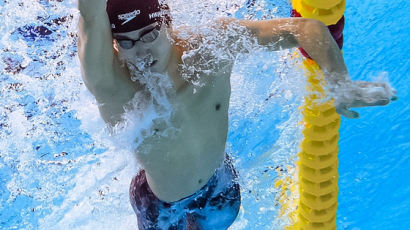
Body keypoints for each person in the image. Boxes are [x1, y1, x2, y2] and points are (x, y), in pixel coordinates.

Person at [77, 0, 395, 229]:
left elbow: (305, 29)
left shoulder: (211, 49)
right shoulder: (113, 87)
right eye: (128, 43)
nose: (142, 51)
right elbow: (90, 15)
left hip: (221, 190)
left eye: (149, 35)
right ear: (115, 47)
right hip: (161, 210)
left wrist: (341, 84)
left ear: (168, 26)